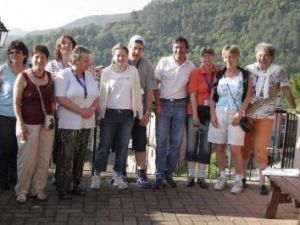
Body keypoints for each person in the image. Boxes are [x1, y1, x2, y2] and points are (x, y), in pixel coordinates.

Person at [242, 42, 296, 195]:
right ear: (256, 55)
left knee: (260, 147)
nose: (262, 58)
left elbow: (285, 88)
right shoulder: (249, 69)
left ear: (271, 57)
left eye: (266, 55)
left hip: (267, 115)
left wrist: (294, 106)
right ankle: (243, 177)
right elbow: (242, 90)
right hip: (248, 114)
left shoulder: (278, 71)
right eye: (260, 54)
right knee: (245, 147)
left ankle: (262, 182)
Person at [91, 43, 143, 190]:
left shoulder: (133, 72)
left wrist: (139, 112)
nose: (121, 58)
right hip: (109, 114)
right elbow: (102, 94)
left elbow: (137, 93)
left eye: (123, 55)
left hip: (127, 115)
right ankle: (96, 175)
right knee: (104, 146)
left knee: (123, 146)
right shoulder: (107, 72)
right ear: (113, 57)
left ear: (127, 57)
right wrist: (99, 115)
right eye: (118, 55)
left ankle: (118, 176)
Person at [55, 45, 100, 200]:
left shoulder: (89, 75)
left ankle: (76, 184)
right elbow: (61, 99)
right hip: (68, 122)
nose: (88, 63)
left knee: (80, 154)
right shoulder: (63, 75)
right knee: (66, 155)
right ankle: (63, 187)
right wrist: (82, 111)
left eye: (89, 61)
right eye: (86, 61)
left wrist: (92, 110)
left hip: (87, 122)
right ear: (76, 60)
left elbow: (97, 96)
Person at [111, 35, 156, 188]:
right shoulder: (119, 62)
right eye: (134, 48)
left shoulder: (147, 66)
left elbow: (150, 90)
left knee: (140, 143)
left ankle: (141, 174)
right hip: (121, 112)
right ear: (129, 47)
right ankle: (119, 172)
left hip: (139, 112)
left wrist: (148, 111)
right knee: (120, 143)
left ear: (143, 50)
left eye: (140, 49)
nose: (136, 51)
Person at [13, 45, 55, 203]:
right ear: (31, 58)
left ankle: (38, 189)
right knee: (27, 159)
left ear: (47, 60)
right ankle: (22, 190)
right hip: (28, 124)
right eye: (37, 56)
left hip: (46, 125)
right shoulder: (23, 76)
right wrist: (20, 123)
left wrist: (51, 114)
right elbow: (16, 103)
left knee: (44, 158)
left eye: (43, 57)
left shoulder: (50, 77)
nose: (40, 60)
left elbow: (52, 100)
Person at [208, 45, 251, 194]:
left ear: (237, 57)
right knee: (219, 148)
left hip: (236, 114)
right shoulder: (219, 75)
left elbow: (248, 96)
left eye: (231, 56)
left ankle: (238, 180)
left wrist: (240, 113)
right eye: (225, 56)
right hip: (219, 113)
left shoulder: (244, 75)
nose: (228, 59)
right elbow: (213, 97)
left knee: (235, 148)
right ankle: (222, 177)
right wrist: (212, 114)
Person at [154, 36, 195, 189]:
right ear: (172, 48)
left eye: (182, 47)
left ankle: (168, 173)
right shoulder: (164, 62)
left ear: (186, 49)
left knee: (176, 142)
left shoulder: (190, 66)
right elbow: (155, 84)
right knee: (161, 141)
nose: (179, 50)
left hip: (180, 106)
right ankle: (159, 174)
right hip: (163, 104)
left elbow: (192, 89)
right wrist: (156, 105)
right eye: (176, 47)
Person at [185, 47, 220, 188]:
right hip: (195, 110)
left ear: (214, 58)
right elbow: (192, 94)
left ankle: (201, 176)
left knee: (206, 145)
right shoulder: (196, 73)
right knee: (192, 144)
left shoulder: (219, 73)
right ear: (201, 58)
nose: (207, 58)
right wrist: (195, 115)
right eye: (205, 56)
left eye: (210, 55)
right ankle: (191, 175)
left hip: (211, 112)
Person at [46, 34, 77, 185]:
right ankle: (56, 172)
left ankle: (63, 174)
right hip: (53, 110)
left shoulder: (75, 66)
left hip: (70, 111)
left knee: (67, 144)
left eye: (69, 43)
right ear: (59, 46)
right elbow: (45, 84)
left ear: (73, 47)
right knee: (53, 143)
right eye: (63, 43)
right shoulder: (51, 64)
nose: (65, 46)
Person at [0, 41, 29, 190]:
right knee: (4, 148)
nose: (14, 55)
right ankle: (2, 178)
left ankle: (14, 176)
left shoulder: (29, 71)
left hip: (24, 117)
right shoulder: (3, 70)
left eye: (17, 52)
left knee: (18, 149)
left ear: (24, 55)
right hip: (4, 115)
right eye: (11, 52)